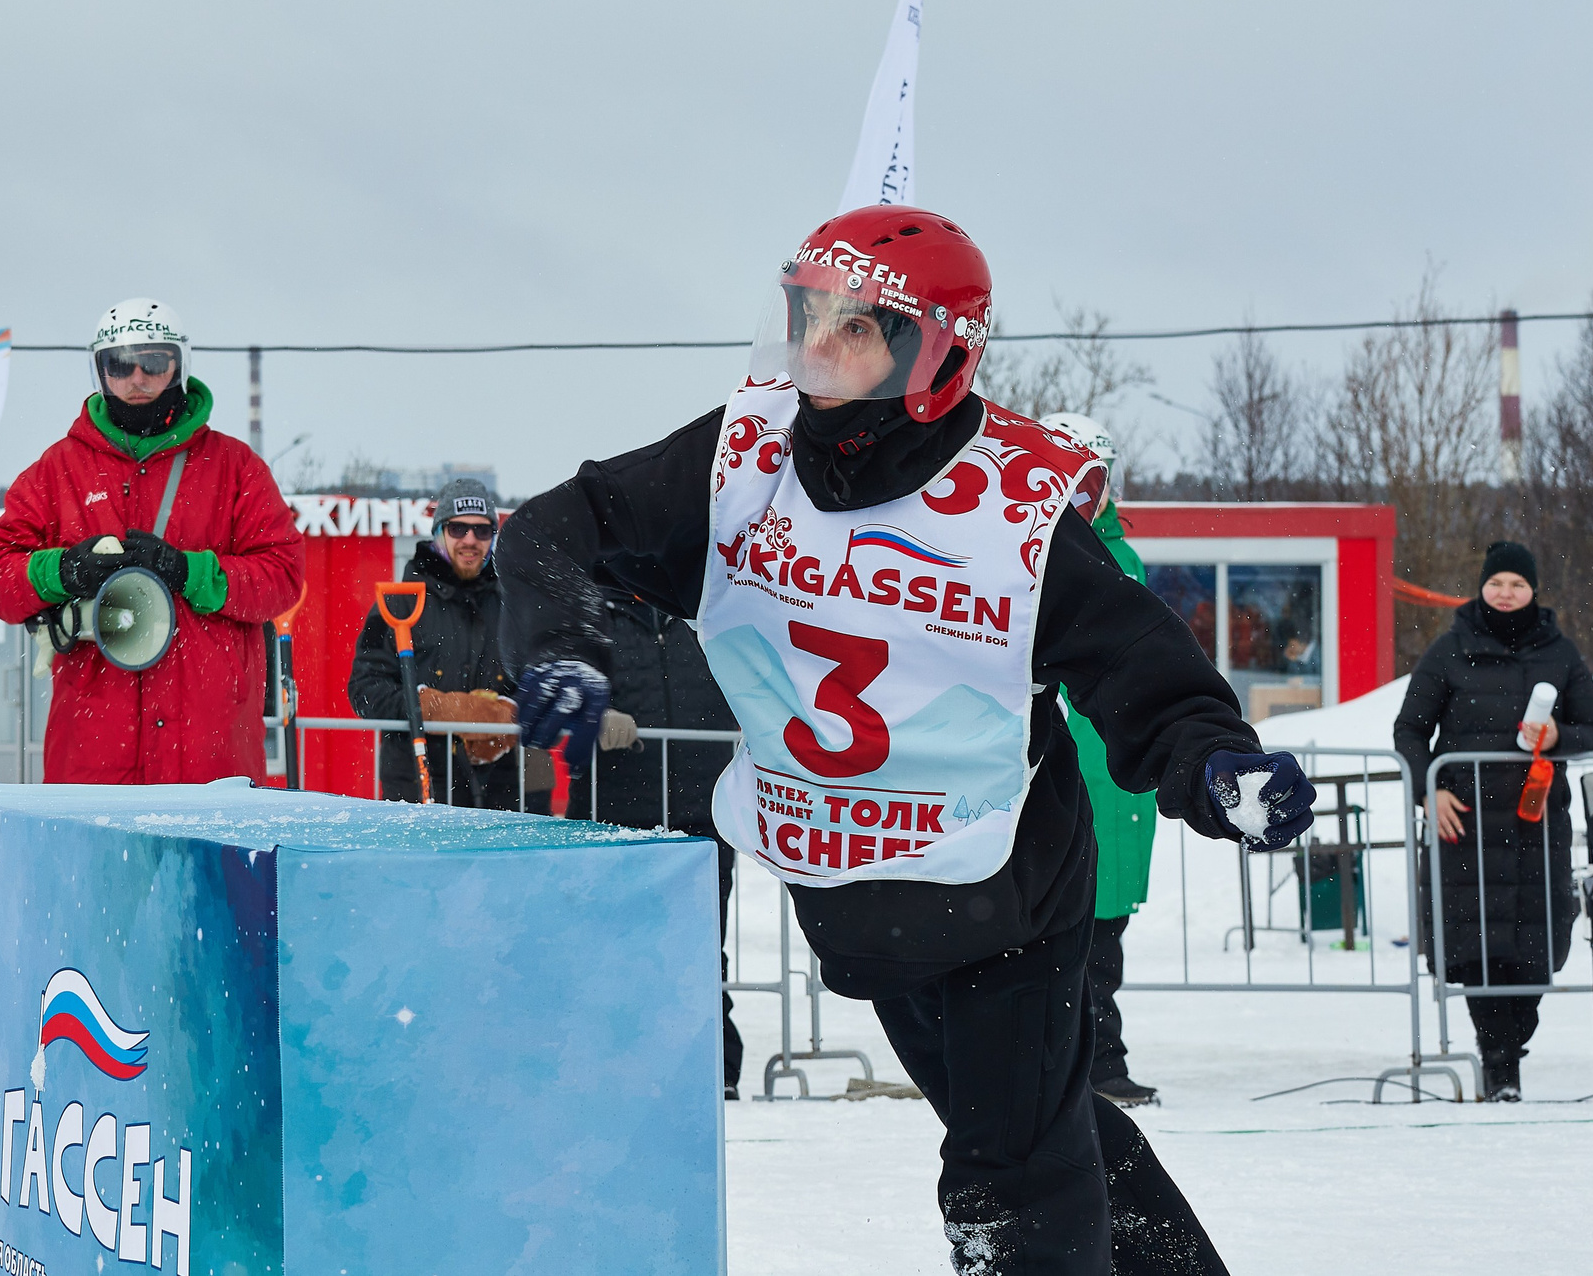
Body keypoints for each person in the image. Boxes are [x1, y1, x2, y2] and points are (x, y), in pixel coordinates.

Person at [499, 207, 1316, 1275]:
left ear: (936, 355)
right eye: (806, 319)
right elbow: (561, 530)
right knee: (1042, 1120)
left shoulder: (1012, 504)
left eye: (855, 330)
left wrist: (1215, 767)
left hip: (1003, 889)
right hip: (860, 893)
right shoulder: (739, 458)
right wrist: (559, 647)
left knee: (1010, 1170)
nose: (816, 352)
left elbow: (1135, 662)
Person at [0, 299, 304, 784]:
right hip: (94, 755)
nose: (137, 378)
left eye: (153, 362)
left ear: (178, 365)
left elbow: (283, 577)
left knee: (205, 863)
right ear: (99, 370)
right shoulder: (58, 469)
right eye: (120, 364)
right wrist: (62, 570)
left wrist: (189, 571)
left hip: (208, 757)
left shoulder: (235, 469)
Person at [1392, 539, 1593, 1103]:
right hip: (1465, 829)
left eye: (1517, 584)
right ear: (1481, 588)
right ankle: (1500, 1066)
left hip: (1536, 827)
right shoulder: (1448, 650)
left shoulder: (1561, 654)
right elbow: (1410, 731)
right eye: (1496, 584)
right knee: (1478, 953)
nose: (1505, 593)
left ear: (1533, 590)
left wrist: (1560, 735)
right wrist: (1429, 788)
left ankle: (1510, 1046)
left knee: (1532, 955)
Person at [564, 570, 746, 1097]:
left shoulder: (708, 604)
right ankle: (612, 1067)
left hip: (702, 810)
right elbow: (537, 677)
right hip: (614, 815)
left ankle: (712, 1069)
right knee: (613, 949)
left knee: (702, 945)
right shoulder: (584, 608)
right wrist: (588, 710)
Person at [1041, 412, 1160, 1109]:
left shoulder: (1123, 558)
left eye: (1097, 478)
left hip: (1112, 773)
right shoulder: (1041, 551)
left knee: (1100, 930)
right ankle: (1088, 1058)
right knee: (1070, 928)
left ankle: (1096, 1055)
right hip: (1065, 767)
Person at [347, 478, 525, 808]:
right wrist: (430, 707)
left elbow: (537, 684)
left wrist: (508, 717)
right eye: (458, 529)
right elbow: (363, 689)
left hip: (499, 792)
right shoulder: (399, 602)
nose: (470, 540)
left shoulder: (513, 605)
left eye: (482, 531)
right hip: (416, 788)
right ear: (439, 532)